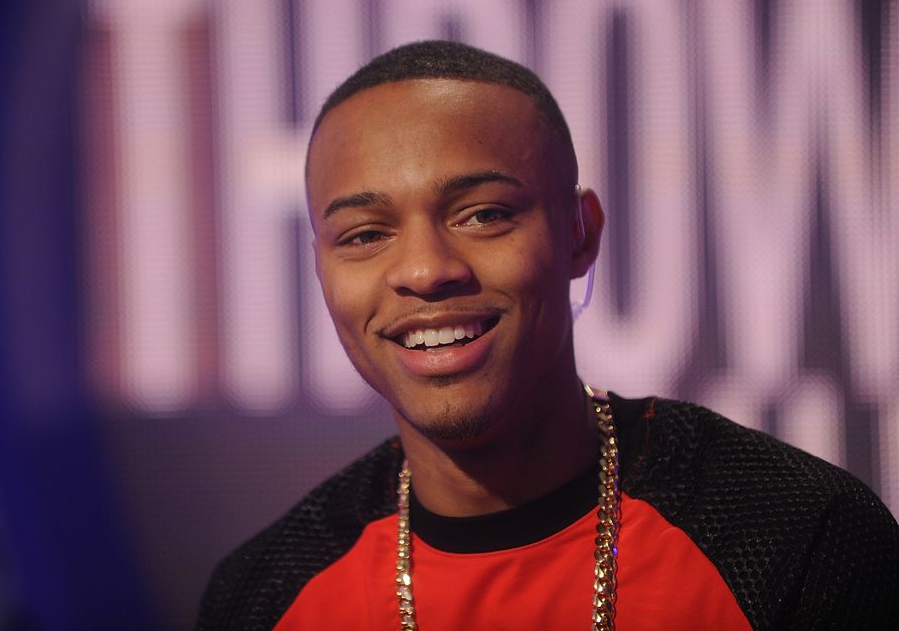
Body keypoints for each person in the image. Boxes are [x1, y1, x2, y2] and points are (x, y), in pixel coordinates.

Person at [196, 40, 899, 630]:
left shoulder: (798, 538)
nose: (424, 269)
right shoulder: (263, 594)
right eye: (365, 234)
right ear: (320, 268)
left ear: (579, 233)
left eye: (482, 214)